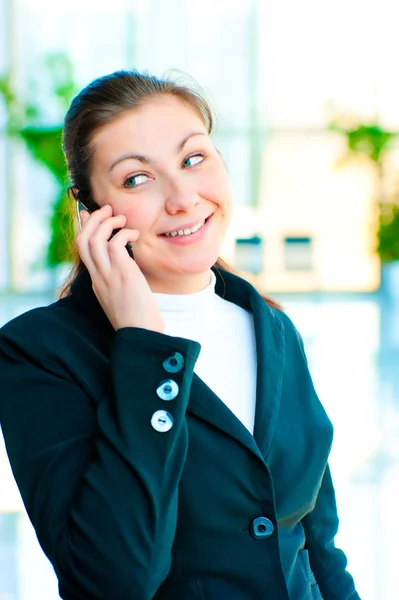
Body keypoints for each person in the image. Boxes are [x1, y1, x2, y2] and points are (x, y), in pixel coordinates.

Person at [0, 70, 360, 600]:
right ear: (91, 209)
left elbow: (317, 542)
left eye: (194, 159)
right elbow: (113, 581)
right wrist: (143, 346)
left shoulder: (271, 326)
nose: (183, 199)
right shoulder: (42, 353)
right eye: (136, 179)